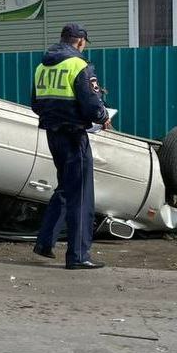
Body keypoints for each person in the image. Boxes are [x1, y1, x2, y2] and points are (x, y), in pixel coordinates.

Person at [31, 23, 111, 270]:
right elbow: (91, 104)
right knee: (81, 195)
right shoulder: (79, 65)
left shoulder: (42, 66)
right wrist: (103, 116)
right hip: (75, 136)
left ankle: (45, 243)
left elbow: (35, 104)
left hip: (53, 135)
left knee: (66, 187)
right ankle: (78, 256)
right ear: (79, 42)